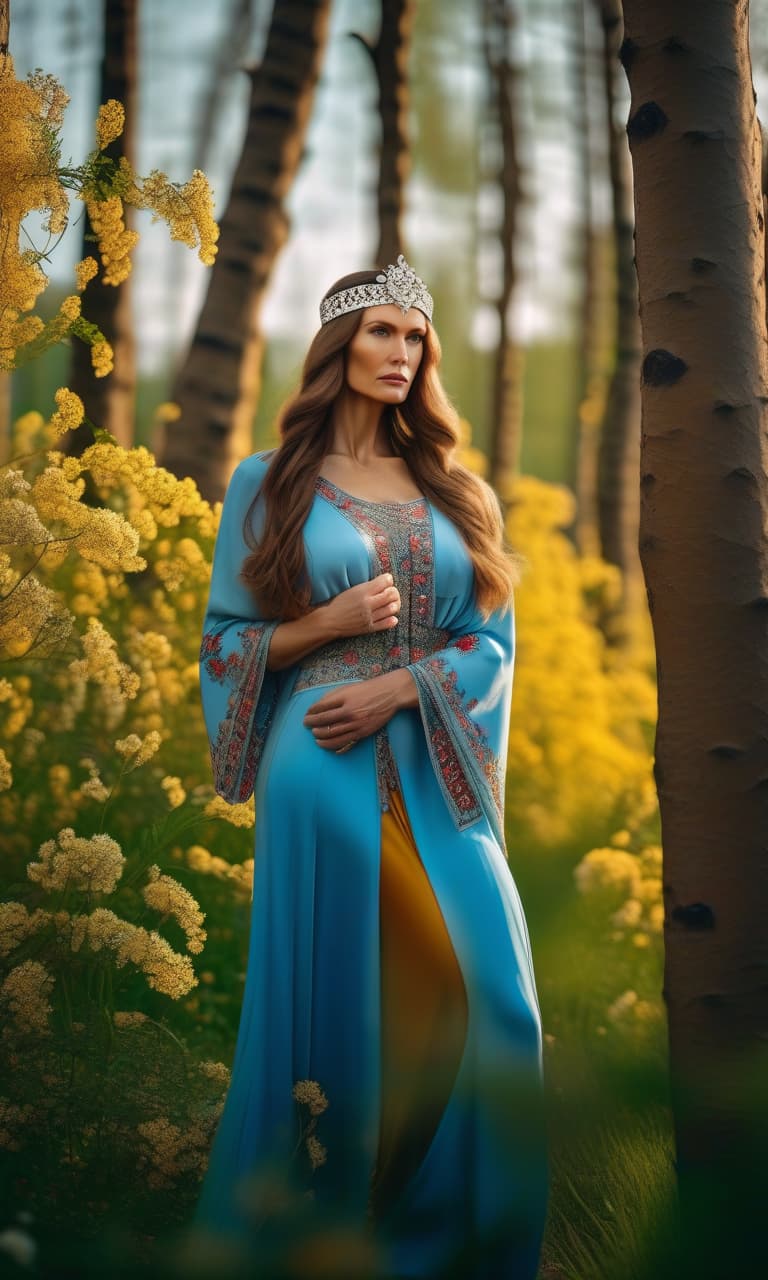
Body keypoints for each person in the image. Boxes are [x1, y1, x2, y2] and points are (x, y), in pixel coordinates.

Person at [194, 255, 549, 1278]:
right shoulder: (271, 482)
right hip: (321, 762)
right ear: (338, 348)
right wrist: (324, 623)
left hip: (434, 759)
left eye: (414, 337)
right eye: (380, 331)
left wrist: (402, 687)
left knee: (487, 993)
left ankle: (457, 1242)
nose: (400, 352)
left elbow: (491, 643)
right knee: (343, 1008)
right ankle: (320, 1231)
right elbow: (224, 638)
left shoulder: (457, 489)